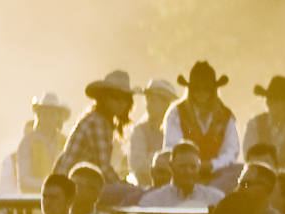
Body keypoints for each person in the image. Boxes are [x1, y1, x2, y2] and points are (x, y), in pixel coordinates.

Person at [128, 142, 226, 214]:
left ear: (199, 167)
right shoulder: (152, 201)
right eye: (183, 166)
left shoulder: (216, 198)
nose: (188, 171)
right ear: (171, 167)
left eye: (193, 166)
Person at [53, 70, 137, 200]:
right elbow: (104, 169)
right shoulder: (98, 122)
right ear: (103, 98)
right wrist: (125, 185)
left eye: (125, 98)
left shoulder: (96, 119)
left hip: (70, 184)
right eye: (115, 97)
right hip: (74, 186)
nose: (121, 103)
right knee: (135, 194)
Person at [164, 61, 243, 193]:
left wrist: (212, 165)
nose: (201, 93)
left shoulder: (225, 115)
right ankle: (207, 196)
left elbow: (231, 151)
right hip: (185, 171)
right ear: (190, 90)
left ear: (214, 91)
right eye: (196, 88)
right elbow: (172, 146)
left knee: (240, 169)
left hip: (217, 173)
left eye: (207, 89)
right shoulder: (177, 112)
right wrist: (194, 165)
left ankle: (208, 194)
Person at [17, 93, 72, 193]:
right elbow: (24, 180)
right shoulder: (27, 142)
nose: (48, 119)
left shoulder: (67, 141)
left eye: (52, 114)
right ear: (38, 117)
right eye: (44, 114)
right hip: (31, 201)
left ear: (58, 118)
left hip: (61, 201)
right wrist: (50, 186)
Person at [130, 79, 179, 187]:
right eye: (148, 100)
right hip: (147, 186)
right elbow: (138, 165)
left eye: (153, 100)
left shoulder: (177, 129)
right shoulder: (140, 130)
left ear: (166, 104)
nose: (148, 104)